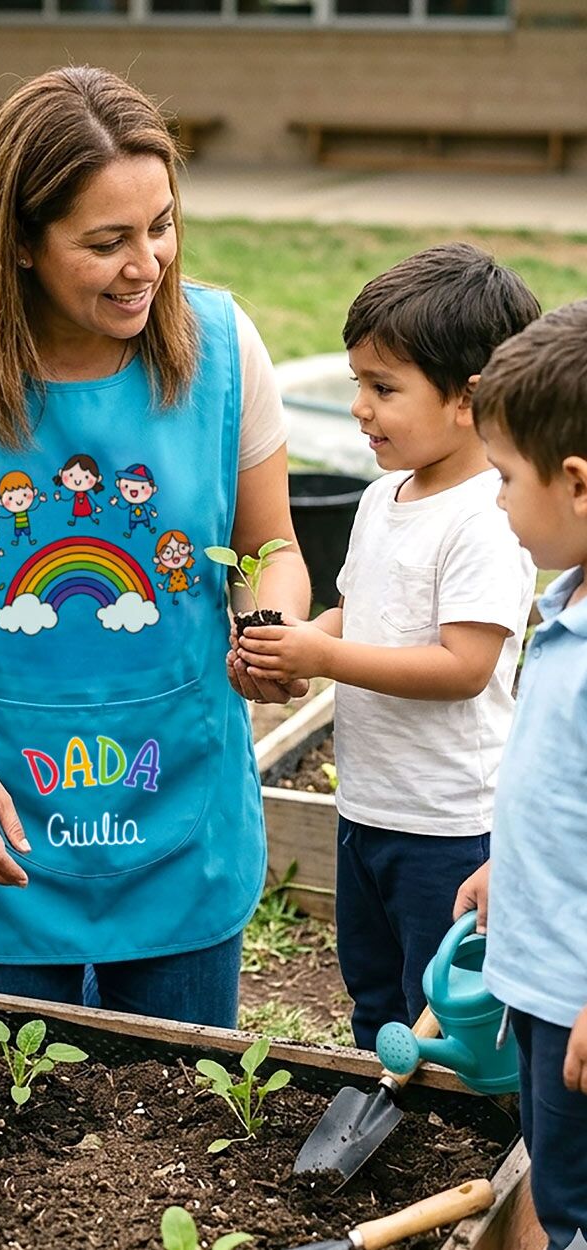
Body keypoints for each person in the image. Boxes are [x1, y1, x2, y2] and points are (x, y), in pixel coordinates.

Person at [0, 65, 310, 1027]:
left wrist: (271, 626)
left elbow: (271, 547)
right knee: (5, 1105)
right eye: (106, 243)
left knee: (184, 1094)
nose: (149, 264)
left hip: (180, 797)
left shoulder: (225, 348)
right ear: (18, 242)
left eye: (162, 225)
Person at [239, 243, 539, 1048]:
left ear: (469, 399)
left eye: (383, 388)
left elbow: (464, 667)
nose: (359, 409)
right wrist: (297, 641)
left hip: (451, 826)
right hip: (368, 808)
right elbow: (358, 611)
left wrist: (323, 659)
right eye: (357, 384)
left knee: (446, 1007)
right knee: (374, 991)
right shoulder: (383, 497)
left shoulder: (487, 517)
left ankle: (452, 1114)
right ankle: (381, 1096)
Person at [452, 301, 587, 1250]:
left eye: (504, 476)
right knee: (557, 1170)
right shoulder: (566, 604)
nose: (496, 500)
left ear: (575, 483)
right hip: (544, 979)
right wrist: (517, 865)